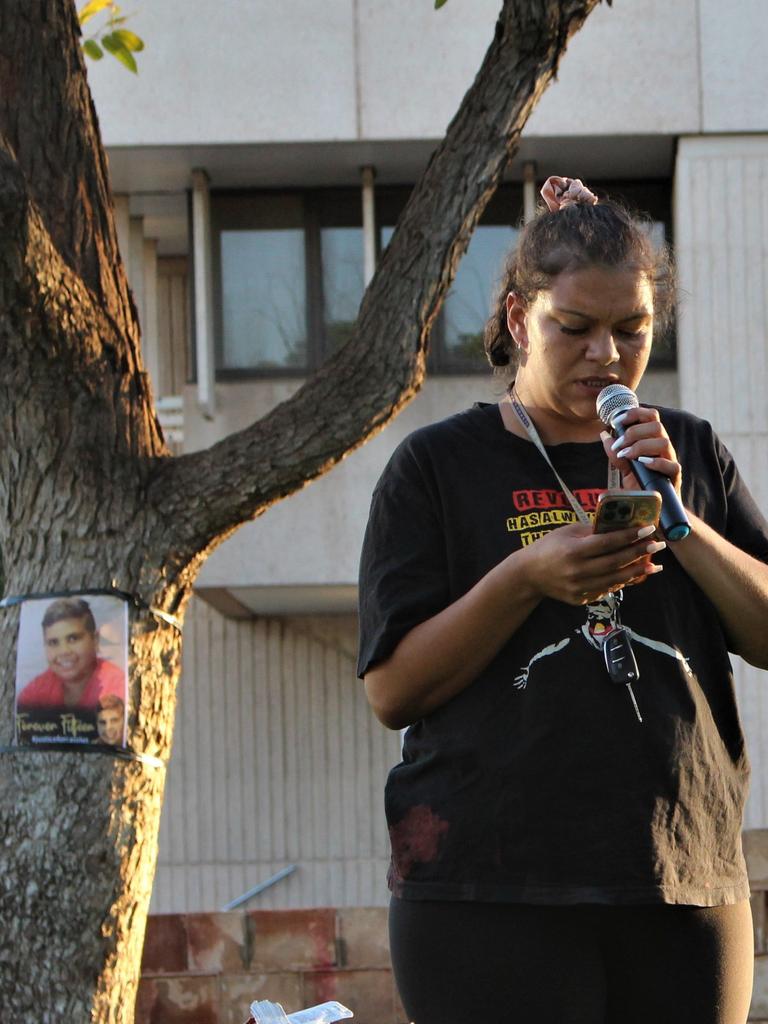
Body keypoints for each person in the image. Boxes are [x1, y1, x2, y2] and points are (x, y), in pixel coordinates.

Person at [357, 176, 768, 1024]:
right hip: (487, 889)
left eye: (632, 330)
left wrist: (681, 524)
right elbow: (392, 689)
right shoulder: (437, 466)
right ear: (518, 321)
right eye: (575, 329)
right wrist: (525, 579)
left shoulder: (688, 449)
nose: (607, 356)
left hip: (681, 873)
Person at [17, 597, 125, 710]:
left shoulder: (118, 686)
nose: (64, 651)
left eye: (73, 639)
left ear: (95, 640)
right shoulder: (36, 691)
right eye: (53, 642)